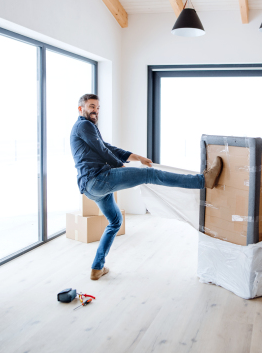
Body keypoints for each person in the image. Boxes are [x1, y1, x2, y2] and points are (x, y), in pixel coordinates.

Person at [71, 94, 223, 280]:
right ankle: (202, 181)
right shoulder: (84, 125)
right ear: (81, 109)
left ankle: (97, 268)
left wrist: (137, 158)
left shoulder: (88, 128)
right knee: (148, 174)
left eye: (98, 107)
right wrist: (121, 166)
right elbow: (103, 151)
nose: (95, 110)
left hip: (91, 189)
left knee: (115, 221)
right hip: (98, 179)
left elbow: (108, 147)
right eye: (91, 106)